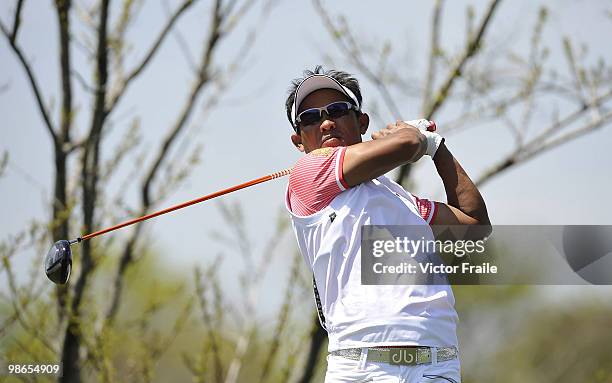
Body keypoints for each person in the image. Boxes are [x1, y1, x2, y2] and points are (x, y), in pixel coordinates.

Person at [284, 66, 490, 382]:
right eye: (311, 118)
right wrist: (413, 134)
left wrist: (436, 147)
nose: (326, 122)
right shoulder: (308, 174)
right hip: (362, 366)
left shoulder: (403, 201)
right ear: (300, 141)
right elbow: (406, 145)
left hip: (437, 365)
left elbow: (474, 225)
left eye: (338, 110)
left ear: (361, 122)